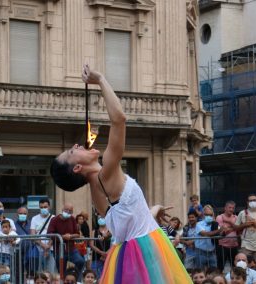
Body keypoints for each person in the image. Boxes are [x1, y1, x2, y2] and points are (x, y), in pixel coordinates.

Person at [50, 65, 191, 283]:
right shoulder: (106, 173)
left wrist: (154, 209)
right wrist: (101, 80)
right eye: (72, 151)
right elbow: (119, 119)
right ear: (77, 168)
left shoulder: (97, 192)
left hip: (132, 254)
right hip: (147, 255)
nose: (77, 145)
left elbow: (131, 223)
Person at [47, 203, 85, 280]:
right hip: (59, 250)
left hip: (71, 249)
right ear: (62, 209)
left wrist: (70, 236)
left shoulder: (72, 219)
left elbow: (77, 234)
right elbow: (49, 234)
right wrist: (62, 237)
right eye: (66, 210)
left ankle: (75, 279)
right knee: (61, 270)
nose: (68, 212)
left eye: (70, 211)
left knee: (80, 261)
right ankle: (64, 280)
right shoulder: (54, 220)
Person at [234, 193, 256, 263]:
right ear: (247, 202)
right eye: (250, 200)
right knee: (244, 266)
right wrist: (244, 225)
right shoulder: (242, 213)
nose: (252, 202)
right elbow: (236, 228)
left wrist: (254, 223)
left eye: (254, 200)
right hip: (246, 246)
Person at [30, 198, 55, 274]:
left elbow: (55, 233)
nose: (43, 209)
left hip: (51, 249)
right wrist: (43, 245)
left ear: (49, 207)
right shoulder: (34, 218)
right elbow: (32, 235)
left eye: (45, 207)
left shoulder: (54, 218)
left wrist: (48, 246)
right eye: (41, 207)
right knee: (40, 274)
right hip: (38, 249)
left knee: (50, 272)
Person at [195, 205, 224, 270]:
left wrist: (224, 231)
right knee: (200, 272)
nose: (208, 216)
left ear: (213, 215)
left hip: (212, 253)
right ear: (203, 214)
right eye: (206, 214)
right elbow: (205, 234)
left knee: (213, 273)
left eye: (210, 215)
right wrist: (219, 230)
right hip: (201, 252)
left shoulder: (215, 224)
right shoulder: (199, 224)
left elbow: (220, 235)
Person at [216, 200, 239, 271]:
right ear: (225, 208)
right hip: (223, 246)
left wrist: (229, 222)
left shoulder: (236, 217)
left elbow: (238, 229)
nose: (231, 209)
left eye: (233, 208)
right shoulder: (220, 217)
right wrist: (234, 227)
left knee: (235, 267)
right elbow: (223, 232)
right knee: (220, 267)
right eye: (230, 207)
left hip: (234, 246)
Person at [14, 206, 32, 282]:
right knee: (18, 272)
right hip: (18, 252)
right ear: (17, 214)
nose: (22, 215)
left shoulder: (31, 223)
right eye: (20, 213)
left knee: (31, 271)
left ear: (27, 214)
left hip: (30, 251)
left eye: (24, 213)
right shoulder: (13, 224)